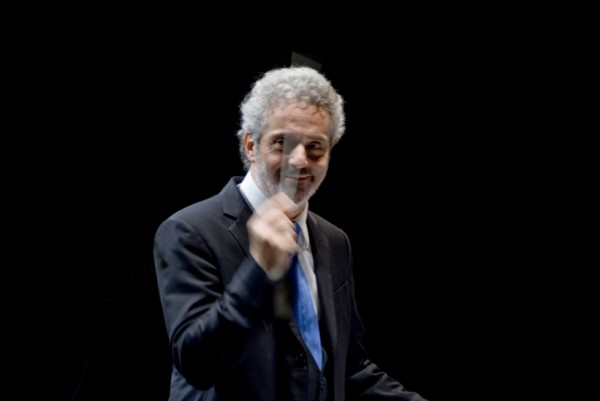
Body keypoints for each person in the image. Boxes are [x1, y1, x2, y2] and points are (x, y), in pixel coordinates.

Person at [153, 65, 428, 401]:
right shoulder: (189, 230)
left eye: (315, 146)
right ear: (251, 145)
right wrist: (259, 271)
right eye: (282, 142)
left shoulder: (334, 240)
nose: (299, 160)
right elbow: (198, 365)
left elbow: (348, 369)